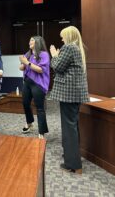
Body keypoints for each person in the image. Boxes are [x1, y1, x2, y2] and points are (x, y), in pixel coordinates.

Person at [49, 26, 89, 175]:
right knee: (72, 125)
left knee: (68, 128)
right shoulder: (77, 48)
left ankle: (73, 164)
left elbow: (58, 67)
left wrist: (54, 55)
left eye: (62, 36)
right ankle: (72, 156)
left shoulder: (69, 47)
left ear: (68, 36)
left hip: (68, 94)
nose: (61, 39)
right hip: (75, 94)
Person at [19, 36, 50, 139]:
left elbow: (40, 70)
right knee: (25, 103)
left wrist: (26, 63)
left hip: (38, 84)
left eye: (32, 40)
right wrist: (23, 64)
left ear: (38, 42)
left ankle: (41, 132)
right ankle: (29, 123)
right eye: (30, 40)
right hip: (27, 82)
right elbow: (21, 68)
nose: (30, 41)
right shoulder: (28, 54)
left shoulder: (44, 54)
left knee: (40, 108)